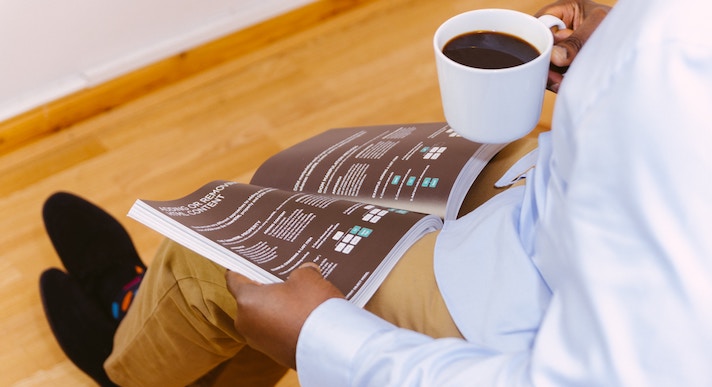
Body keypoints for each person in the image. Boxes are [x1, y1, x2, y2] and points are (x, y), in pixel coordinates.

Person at [39, 0, 712, 385]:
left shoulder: (667, 64)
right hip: (554, 198)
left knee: (220, 259)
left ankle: (123, 359)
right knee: (336, 179)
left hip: (521, 302)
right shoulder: (661, 60)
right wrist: (607, 48)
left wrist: (323, 335)